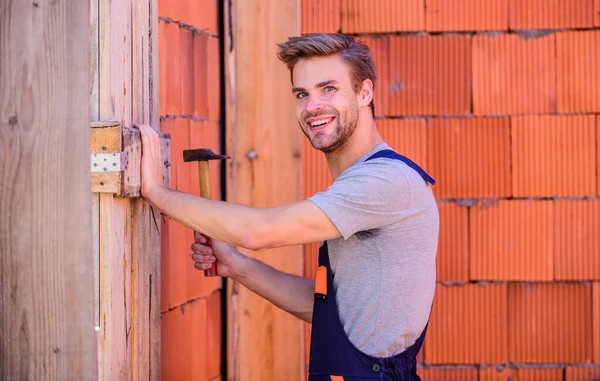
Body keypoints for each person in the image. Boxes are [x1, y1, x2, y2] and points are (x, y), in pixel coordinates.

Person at [137, 33, 439, 381]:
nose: (312, 106)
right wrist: (237, 266)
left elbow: (258, 231)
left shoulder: (384, 182)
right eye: (302, 94)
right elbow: (332, 313)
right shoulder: (362, 183)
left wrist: (155, 191)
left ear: (364, 92)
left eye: (329, 89)